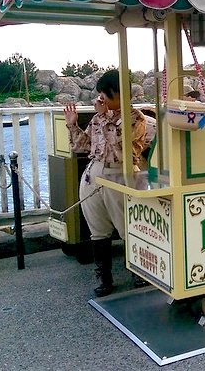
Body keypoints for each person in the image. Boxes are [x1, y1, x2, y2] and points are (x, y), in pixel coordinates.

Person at [63, 69, 147, 296]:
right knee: (97, 229)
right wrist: (72, 125)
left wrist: (107, 117)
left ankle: (139, 272)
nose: (101, 99)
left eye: (106, 95)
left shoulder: (136, 118)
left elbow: (120, 145)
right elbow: (82, 146)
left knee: (127, 226)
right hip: (94, 173)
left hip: (121, 174)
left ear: (119, 94)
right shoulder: (98, 118)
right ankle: (104, 276)